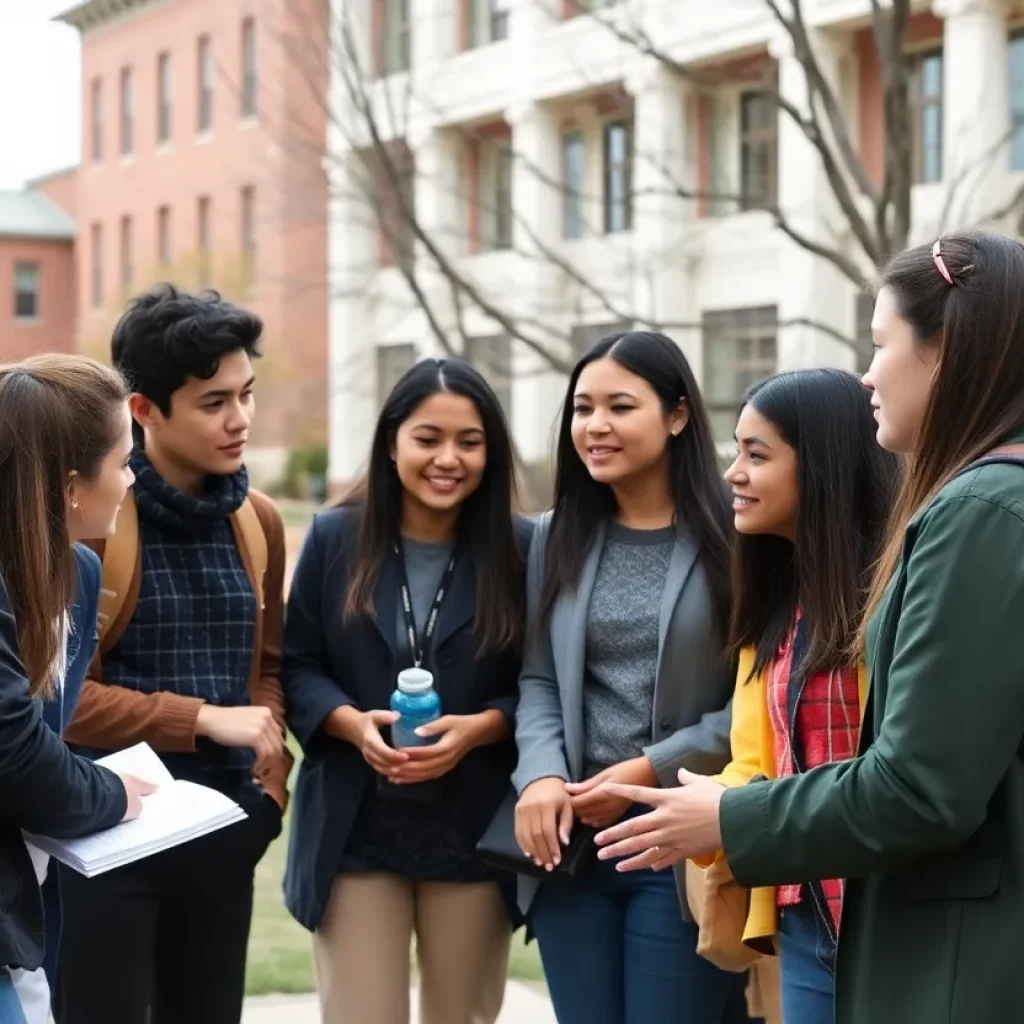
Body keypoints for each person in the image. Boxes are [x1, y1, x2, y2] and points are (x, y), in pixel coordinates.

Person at [592, 231, 1024, 1024]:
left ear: (946, 351)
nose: (868, 374)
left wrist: (726, 816)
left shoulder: (980, 513)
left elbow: (918, 788)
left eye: (880, 344)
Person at [54, 286, 292, 1024]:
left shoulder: (259, 522)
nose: (241, 419)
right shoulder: (91, 524)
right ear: (144, 410)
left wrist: (268, 781)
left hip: (224, 828)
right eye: (214, 401)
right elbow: (63, 701)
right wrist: (203, 719)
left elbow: (269, 671)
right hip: (105, 836)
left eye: (247, 394)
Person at [284, 358, 533, 1024]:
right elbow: (298, 664)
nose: (448, 458)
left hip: (475, 828)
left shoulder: (524, 549)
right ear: (393, 442)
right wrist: (348, 723)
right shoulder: (335, 537)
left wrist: (481, 728)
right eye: (428, 438)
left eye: (469, 442)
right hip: (354, 827)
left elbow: (542, 687)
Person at [512, 331, 750, 1024]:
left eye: (620, 406)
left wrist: (647, 771)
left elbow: (757, 701)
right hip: (575, 851)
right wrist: (541, 776)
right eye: (583, 408)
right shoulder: (552, 537)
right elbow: (540, 680)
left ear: (677, 415)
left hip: (681, 843)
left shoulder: (737, 541)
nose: (596, 426)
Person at [694, 369, 897, 1023]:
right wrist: (700, 814)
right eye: (736, 450)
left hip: (898, 914)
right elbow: (755, 762)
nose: (733, 473)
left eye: (757, 454)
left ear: (824, 467)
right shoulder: (777, 607)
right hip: (805, 916)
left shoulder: (898, 591)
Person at [0, 355, 155, 1023]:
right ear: (70, 485)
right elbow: (21, 760)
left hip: (29, 895)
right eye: (123, 460)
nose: (131, 477)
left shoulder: (79, 575)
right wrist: (115, 794)